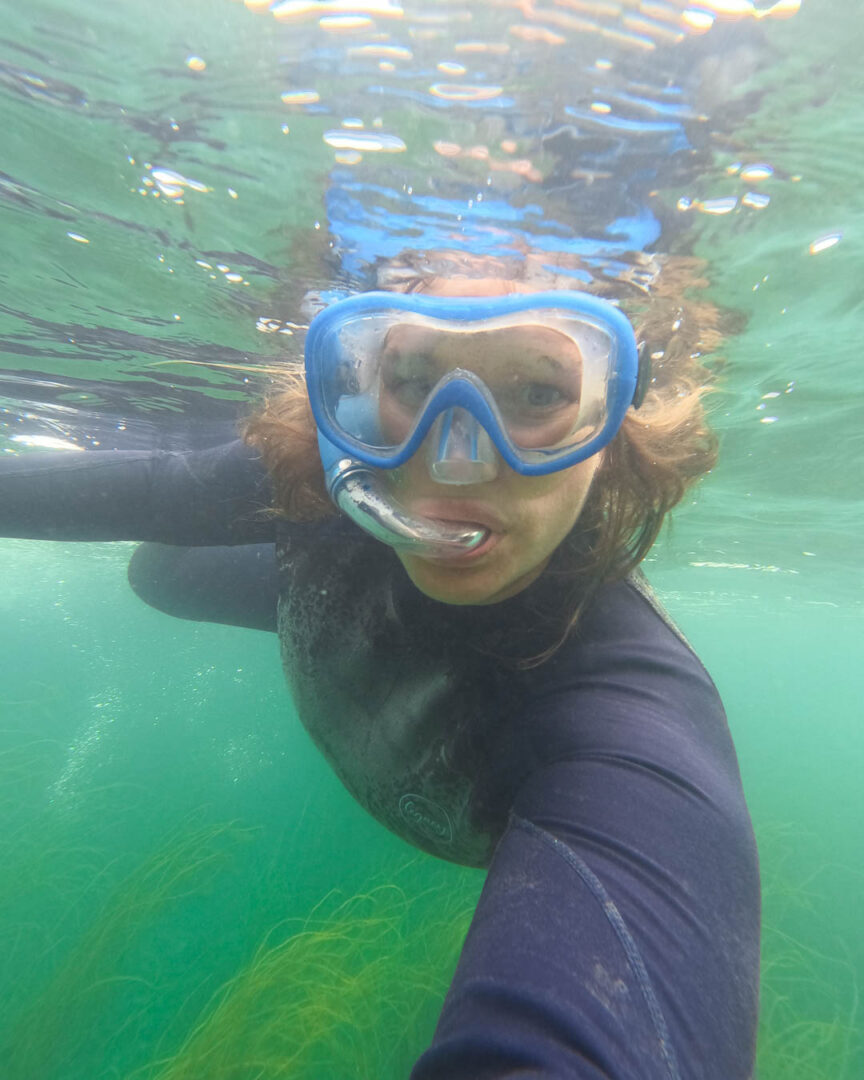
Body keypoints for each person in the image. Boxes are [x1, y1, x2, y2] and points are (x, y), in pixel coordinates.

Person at [0, 250, 760, 1079]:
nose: (455, 462)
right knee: (159, 572)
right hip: (324, 598)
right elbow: (156, 488)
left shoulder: (629, 706)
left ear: (611, 432)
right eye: (413, 380)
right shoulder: (325, 482)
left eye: (539, 393)